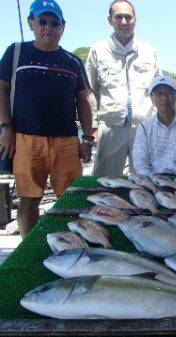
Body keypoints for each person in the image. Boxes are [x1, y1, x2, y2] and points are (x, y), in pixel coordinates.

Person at [0, 0, 93, 237]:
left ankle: (71, 245)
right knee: (29, 199)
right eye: (42, 21)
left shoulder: (73, 61)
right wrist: (6, 128)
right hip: (26, 139)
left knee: (71, 200)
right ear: (31, 22)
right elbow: (2, 90)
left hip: (67, 142)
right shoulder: (16, 51)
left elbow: (83, 101)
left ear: (63, 26)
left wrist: (88, 138)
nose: (48, 27)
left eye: (55, 22)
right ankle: (29, 248)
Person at [86, 0, 161, 176]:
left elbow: (158, 91)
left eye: (128, 17)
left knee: (145, 181)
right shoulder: (98, 50)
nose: (124, 22)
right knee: (104, 182)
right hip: (110, 128)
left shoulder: (149, 51)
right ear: (110, 20)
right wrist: (94, 128)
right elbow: (90, 93)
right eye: (119, 17)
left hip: (143, 128)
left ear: (135, 20)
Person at [132, 76, 176, 177]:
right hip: (153, 182)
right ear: (152, 98)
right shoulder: (144, 128)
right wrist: (155, 183)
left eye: (168, 93)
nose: (164, 98)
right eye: (159, 93)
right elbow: (141, 164)